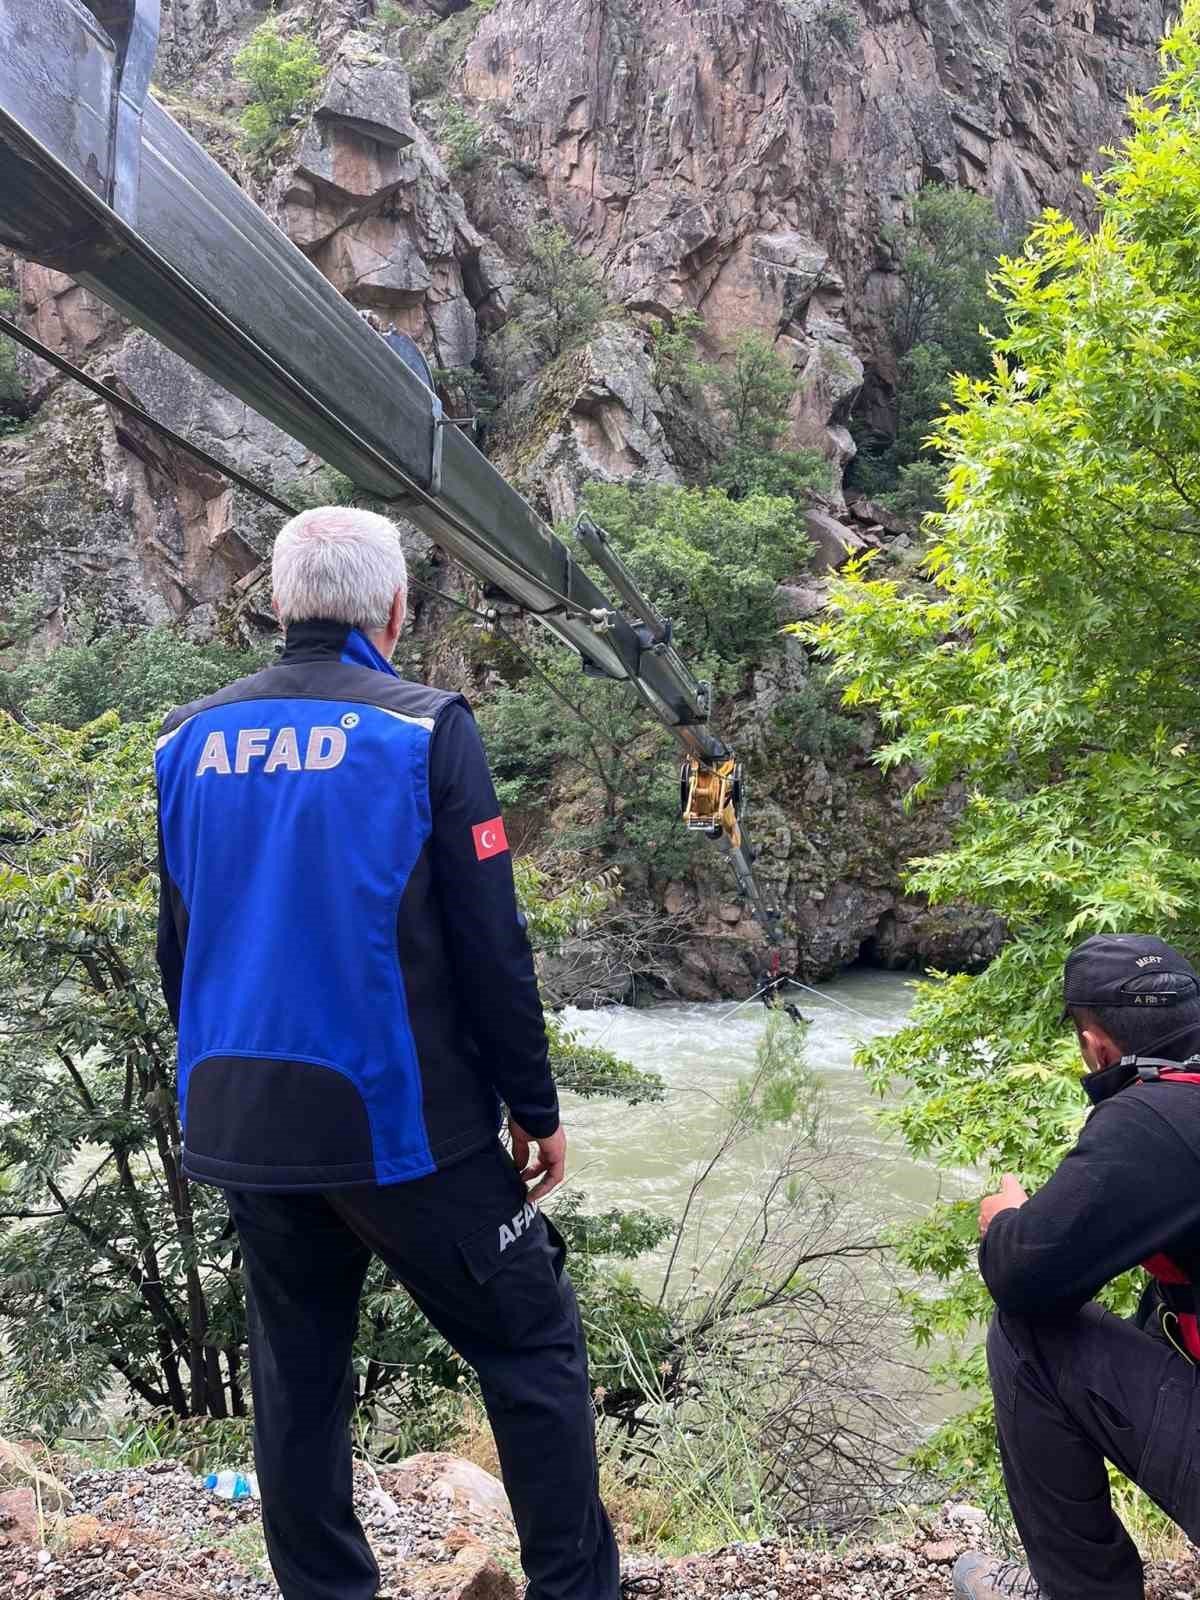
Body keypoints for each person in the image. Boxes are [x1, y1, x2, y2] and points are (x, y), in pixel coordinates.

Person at [154, 506, 625, 1600]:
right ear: (396, 611)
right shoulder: (423, 730)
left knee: (298, 1371)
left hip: (241, 1112)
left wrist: (222, 1093)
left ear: (280, 604)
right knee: (531, 1341)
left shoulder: (185, 741)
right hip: (400, 1122)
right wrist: (533, 1106)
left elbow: (180, 944)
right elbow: (491, 944)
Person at [953, 933, 1200, 1600]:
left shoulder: (1154, 1118)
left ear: (1097, 1046)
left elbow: (1024, 1277)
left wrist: (1006, 1219)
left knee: (1025, 1335)